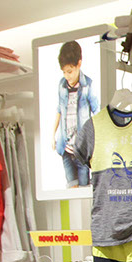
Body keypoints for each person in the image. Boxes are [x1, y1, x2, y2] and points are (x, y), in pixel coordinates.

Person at [52, 40, 99, 188]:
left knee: (84, 188)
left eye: (70, 71)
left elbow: (97, 111)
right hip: (65, 147)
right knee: (71, 188)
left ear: (79, 64)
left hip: (81, 149)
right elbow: (59, 110)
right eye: (64, 72)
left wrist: (97, 139)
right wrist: (53, 135)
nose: (67, 76)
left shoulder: (88, 86)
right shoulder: (61, 85)